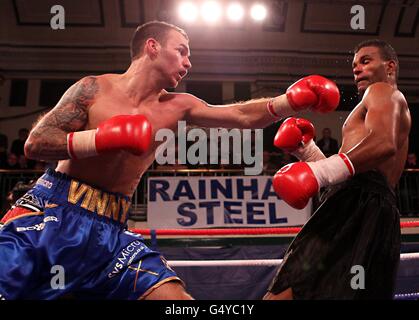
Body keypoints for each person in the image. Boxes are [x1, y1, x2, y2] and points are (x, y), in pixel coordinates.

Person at [0, 21, 340, 300]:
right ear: (152, 47)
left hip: (111, 232)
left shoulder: (180, 106)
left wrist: (288, 102)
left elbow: (239, 114)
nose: (189, 62)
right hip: (52, 213)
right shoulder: (94, 89)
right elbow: (36, 143)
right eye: (182, 51)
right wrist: (101, 138)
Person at [265, 39, 411, 299]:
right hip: (373, 210)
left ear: (390, 67)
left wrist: (319, 172)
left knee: (285, 292)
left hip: (356, 205)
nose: (356, 69)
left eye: (366, 61)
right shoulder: (386, 103)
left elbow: (383, 144)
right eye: (354, 64)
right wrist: (308, 151)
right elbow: (354, 174)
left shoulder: (382, 92)